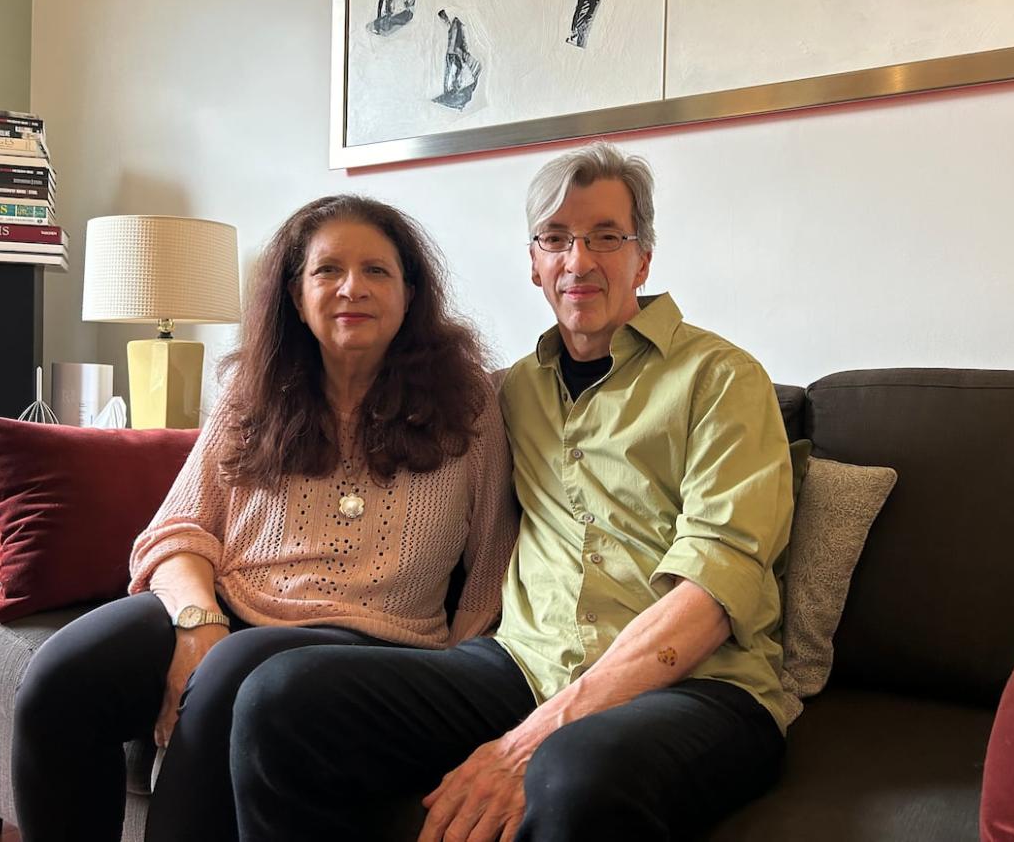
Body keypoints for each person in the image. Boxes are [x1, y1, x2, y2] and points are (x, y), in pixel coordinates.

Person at [229, 142, 795, 841]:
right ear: (534, 263)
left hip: (700, 688)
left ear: (642, 258)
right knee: (280, 699)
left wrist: (531, 739)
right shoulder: (508, 393)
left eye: (605, 238)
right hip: (522, 666)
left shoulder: (721, 380)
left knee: (573, 774)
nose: (578, 261)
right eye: (556, 239)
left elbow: (711, 596)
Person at [10, 195, 518, 842]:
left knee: (227, 674)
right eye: (327, 270)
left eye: (377, 271)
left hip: (372, 641)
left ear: (412, 292)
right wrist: (198, 623)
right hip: (231, 602)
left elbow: (493, 568)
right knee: (59, 681)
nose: (351, 288)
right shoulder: (254, 390)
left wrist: (452, 683)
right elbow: (179, 531)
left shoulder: (468, 405)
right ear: (295, 291)